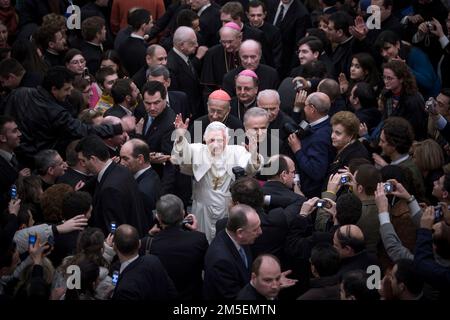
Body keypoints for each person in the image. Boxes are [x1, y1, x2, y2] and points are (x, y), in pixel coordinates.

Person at [2, 66, 135, 168]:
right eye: (66, 89)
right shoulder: (56, 112)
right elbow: (84, 130)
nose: (70, 92)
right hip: (39, 162)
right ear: (54, 89)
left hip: (12, 156)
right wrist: (118, 127)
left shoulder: (19, 93)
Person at [172, 118, 263, 242]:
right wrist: (181, 137)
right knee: (201, 240)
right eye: (212, 140)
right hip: (202, 208)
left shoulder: (237, 151)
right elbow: (181, 158)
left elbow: (250, 168)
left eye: (220, 140)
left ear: (228, 139)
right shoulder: (198, 150)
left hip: (227, 208)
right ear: (205, 139)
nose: (216, 144)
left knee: (226, 242)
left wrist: (253, 153)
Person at [76, 135, 147, 236]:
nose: (82, 165)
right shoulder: (121, 170)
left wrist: (112, 234)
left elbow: (114, 225)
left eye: (83, 161)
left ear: (93, 159)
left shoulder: (109, 189)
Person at [142, 194, 208, 300]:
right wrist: (195, 233)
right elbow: (206, 266)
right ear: (183, 214)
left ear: (158, 218)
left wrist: (149, 235)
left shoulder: (148, 243)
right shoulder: (199, 239)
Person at [203, 204, 262, 300]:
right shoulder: (221, 261)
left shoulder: (240, 237)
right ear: (240, 233)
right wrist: (265, 287)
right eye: (255, 229)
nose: (260, 232)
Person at [287, 92, 334, 198]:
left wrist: (297, 150)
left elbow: (316, 172)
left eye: (305, 105)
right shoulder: (323, 123)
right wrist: (297, 110)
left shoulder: (320, 138)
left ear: (312, 109)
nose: (303, 108)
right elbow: (299, 129)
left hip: (310, 194)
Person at [111, 224, 177, 300]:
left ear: (114, 247)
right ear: (139, 244)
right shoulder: (153, 260)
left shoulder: (125, 290)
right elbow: (172, 292)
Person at [167, 26, 205, 119]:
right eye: (193, 43)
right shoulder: (171, 65)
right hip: (187, 115)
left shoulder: (185, 57)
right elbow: (176, 95)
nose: (196, 45)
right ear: (182, 45)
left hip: (196, 112)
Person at [120, 139, 161, 222]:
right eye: (121, 158)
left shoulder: (142, 191)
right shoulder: (152, 175)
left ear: (140, 159)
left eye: (125, 158)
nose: (121, 163)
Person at [327, 111, 369, 178]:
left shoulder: (356, 157)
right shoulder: (341, 146)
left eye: (338, 133)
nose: (332, 136)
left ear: (350, 135)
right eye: (333, 131)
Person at [117, 8, 153, 77]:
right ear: (144, 26)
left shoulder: (123, 44)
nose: (152, 25)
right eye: (151, 22)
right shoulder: (143, 50)